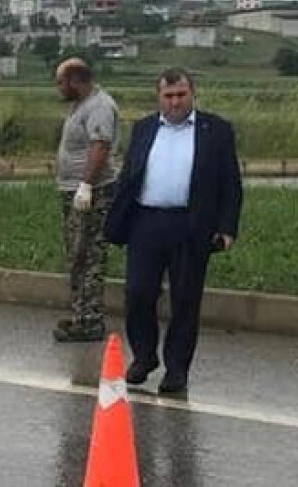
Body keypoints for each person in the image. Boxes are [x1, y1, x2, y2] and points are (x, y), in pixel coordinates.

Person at [104, 67, 242, 394]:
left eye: (181, 95)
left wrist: (226, 226)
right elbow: (130, 175)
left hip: (191, 224)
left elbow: (230, 183)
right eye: (169, 96)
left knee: (185, 300)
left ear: (192, 93)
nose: (175, 102)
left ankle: (177, 368)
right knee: (138, 294)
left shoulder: (216, 130)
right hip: (146, 222)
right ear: (159, 98)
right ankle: (144, 356)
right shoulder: (144, 128)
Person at [52, 58, 122, 343]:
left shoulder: (99, 106)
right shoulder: (82, 106)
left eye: (60, 82)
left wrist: (86, 186)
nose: (58, 88)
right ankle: (80, 313)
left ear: (75, 80)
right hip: (76, 191)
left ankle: (90, 320)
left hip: (93, 193)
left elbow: (100, 146)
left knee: (89, 254)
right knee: (76, 254)